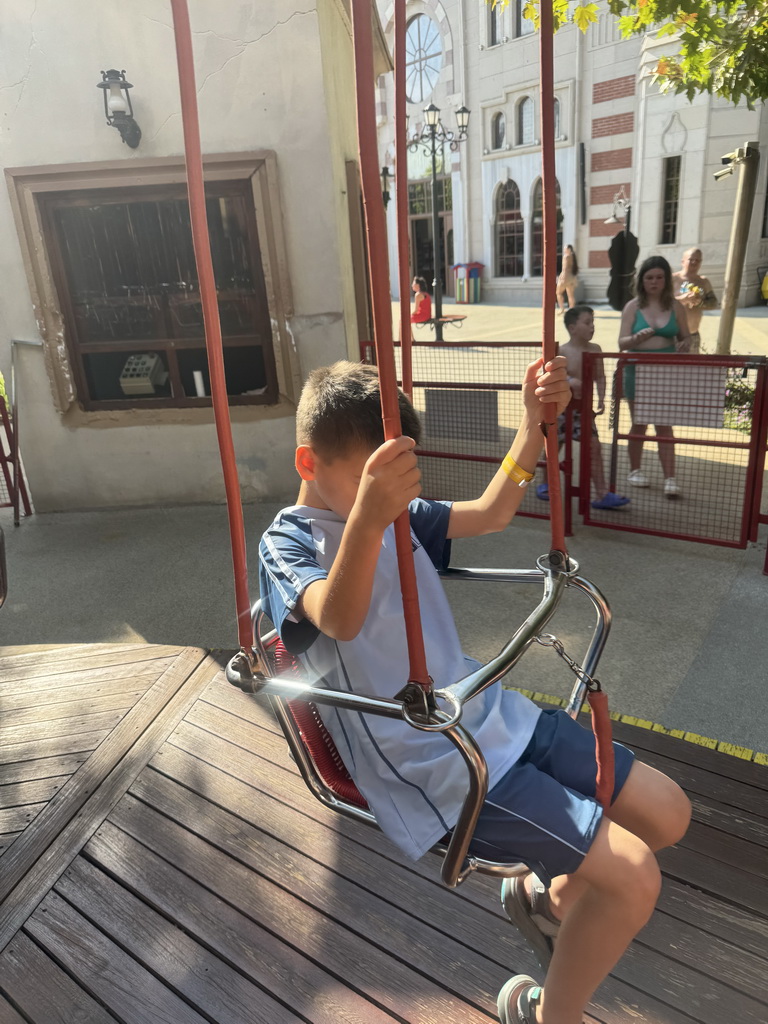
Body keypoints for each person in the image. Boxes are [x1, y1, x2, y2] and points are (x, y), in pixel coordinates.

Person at [259, 359, 691, 1024]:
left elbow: (490, 512)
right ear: (309, 464)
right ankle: (550, 1014)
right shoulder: (290, 542)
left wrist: (530, 426)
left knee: (667, 814)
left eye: (399, 476)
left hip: (490, 713)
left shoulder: (391, 515)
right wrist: (372, 516)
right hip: (439, 762)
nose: (393, 497)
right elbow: (337, 618)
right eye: (371, 478)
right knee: (633, 879)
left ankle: (546, 903)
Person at [536, 305, 630, 511]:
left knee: (594, 448)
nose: (592, 327)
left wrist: (602, 399)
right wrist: (569, 379)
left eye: (592, 323)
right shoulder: (561, 350)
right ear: (572, 327)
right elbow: (548, 375)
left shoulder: (595, 349)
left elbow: (601, 377)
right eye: (587, 323)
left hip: (583, 411)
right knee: (552, 448)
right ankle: (546, 483)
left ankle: (602, 493)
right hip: (560, 410)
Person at [618, 255, 692, 498]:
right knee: (640, 422)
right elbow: (621, 342)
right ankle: (635, 470)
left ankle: (670, 477)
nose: (654, 282)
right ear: (642, 280)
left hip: (666, 371)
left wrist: (685, 344)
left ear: (666, 280)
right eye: (649, 277)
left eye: (659, 277)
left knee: (664, 425)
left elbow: (686, 336)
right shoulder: (632, 307)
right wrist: (636, 339)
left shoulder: (676, 306)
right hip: (637, 369)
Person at [672, 248, 718, 353]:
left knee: (692, 367)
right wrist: (681, 299)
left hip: (693, 335)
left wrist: (700, 303)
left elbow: (714, 303)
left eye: (698, 260)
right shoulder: (672, 279)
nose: (694, 262)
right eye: (691, 259)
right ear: (683, 261)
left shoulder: (704, 281)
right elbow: (661, 302)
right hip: (673, 336)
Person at [556, 244, 578, 314]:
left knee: (558, 293)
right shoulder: (573, 256)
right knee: (571, 295)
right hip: (572, 278)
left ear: (569, 249)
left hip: (565, 278)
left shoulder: (566, 257)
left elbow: (564, 269)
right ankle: (572, 309)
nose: (564, 250)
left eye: (565, 249)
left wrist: (560, 277)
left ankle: (562, 308)